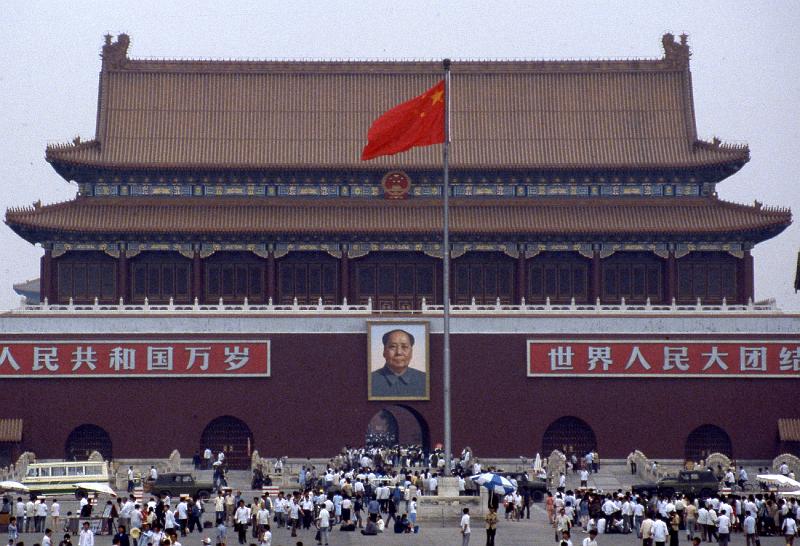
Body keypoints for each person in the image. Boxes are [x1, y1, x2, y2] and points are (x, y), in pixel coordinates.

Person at [370, 329, 426, 398]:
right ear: (384, 351)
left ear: (411, 352)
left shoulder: (425, 380)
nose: (399, 352)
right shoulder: (370, 381)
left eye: (404, 347)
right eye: (393, 346)